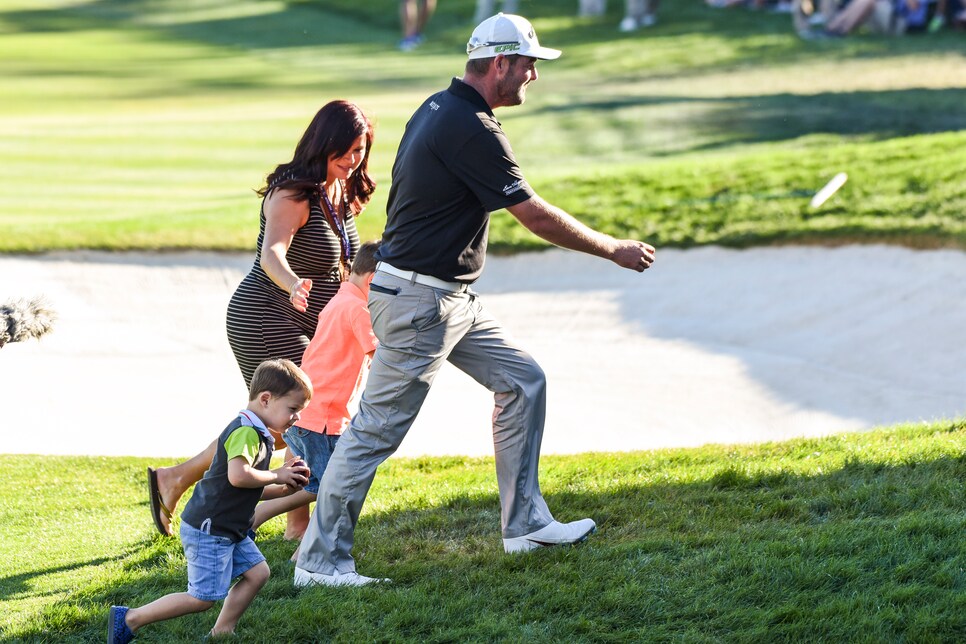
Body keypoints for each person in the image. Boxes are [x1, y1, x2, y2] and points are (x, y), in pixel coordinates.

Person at [293, 13, 656, 587]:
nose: (533, 76)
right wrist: (612, 248)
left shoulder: (437, 107)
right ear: (499, 63)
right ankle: (319, 562)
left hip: (448, 299)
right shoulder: (471, 127)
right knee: (374, 433)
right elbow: (532, 214)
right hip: (421, 305)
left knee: (523, 381)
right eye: (529, 64)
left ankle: (526, 524)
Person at [147, 100, 376, 540]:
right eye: (343, 151)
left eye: (359, 151)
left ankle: (184, 483)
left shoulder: (340, 191)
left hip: (311, 325)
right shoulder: (293, 193)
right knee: (291, 416)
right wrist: (292, 283)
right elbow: (273, 251)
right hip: (265, 314)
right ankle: (187, 484)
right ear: (322, 144)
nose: (352, 160)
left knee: (291, 420)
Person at [109, 359, 312, 643]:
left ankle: (222, 630)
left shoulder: (256, 431)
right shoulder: (246, 432)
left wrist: (283, 489)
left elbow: (243, 488)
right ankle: (130, 618)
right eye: (293, 409)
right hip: (210, 529)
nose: (297, 418)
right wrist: (277, 474)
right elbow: (239, 477)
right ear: (266, 399)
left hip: (227, 526)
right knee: (202, 598)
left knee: (257, 573)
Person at [248, 241, 381, 548]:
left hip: (306, 411)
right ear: (373, 280)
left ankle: (286, 524)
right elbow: (378, 354)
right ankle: (258, 514)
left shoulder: (339, 300)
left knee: (300, 478)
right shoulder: (358, 308)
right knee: (325, 484)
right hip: (324, 417)